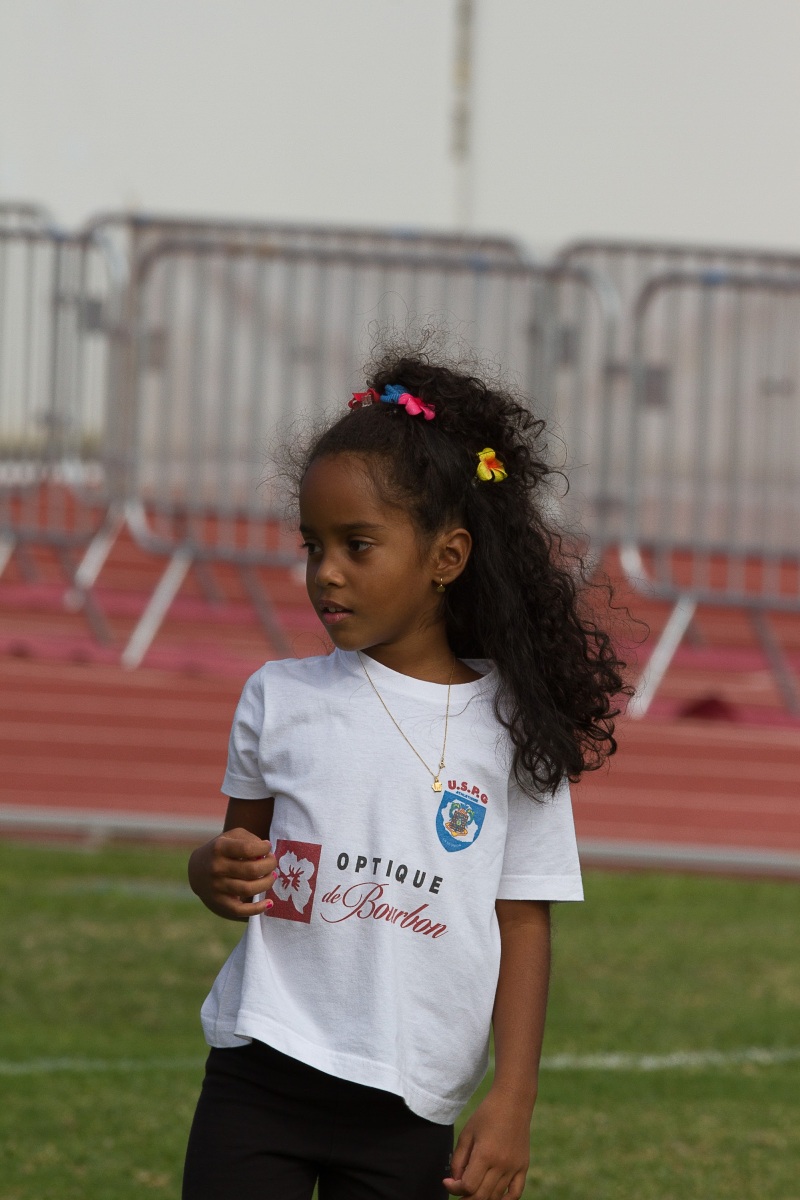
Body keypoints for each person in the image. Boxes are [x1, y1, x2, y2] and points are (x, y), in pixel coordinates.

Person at [183, 352, 627, 1200]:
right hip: (261, 1070)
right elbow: (238, 860)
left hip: (411, 1104)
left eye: (357, 546)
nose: (326, 571)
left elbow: (523, 923)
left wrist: (514, 1099)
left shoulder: (516, 728)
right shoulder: (278, 697)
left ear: (446, 556)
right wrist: (211, 871)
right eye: (313, 546)